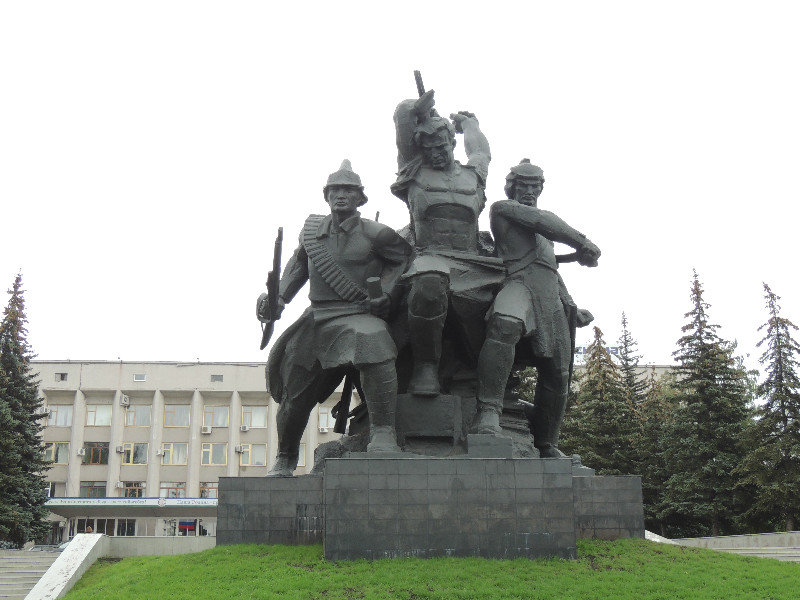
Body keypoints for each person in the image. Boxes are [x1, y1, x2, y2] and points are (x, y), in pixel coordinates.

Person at [264, 160, 411, 476]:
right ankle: (286, 456)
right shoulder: (312, 233)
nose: (340, 196)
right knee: (294, 382)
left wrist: (385, 293)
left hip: (358, 314)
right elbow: (297, 267)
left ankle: (384, 433)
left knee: (374, 341)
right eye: (335, 190)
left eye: (348, 190)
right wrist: (277, 298)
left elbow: (402, 262)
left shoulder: (378, 234)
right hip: (318, 316)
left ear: (360, 198)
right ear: (326, 195)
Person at [473, 159, 599, 456]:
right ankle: (489, 412)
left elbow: (550, 269)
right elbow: (543, 220)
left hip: (549, 297)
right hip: (517, 284)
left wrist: (571, 304)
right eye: (523, 185)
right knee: (505, 322)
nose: (529, 190)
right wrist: (582, 242)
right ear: (512, 187)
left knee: (559, 371)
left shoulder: (546, 238)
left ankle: (546, 441)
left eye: (535, 186)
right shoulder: (504, 209)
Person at [391, 91, 505, 396]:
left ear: (451, 143)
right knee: (429, 279)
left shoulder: (473, 176)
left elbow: (481, 151)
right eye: (428, 148)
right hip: (430, 256)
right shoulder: (414, 172)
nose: (436, 153)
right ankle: (426, 366)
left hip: (476, 262)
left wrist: (470, 124)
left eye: (441, 145)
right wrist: (412, 109)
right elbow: (402, 129)